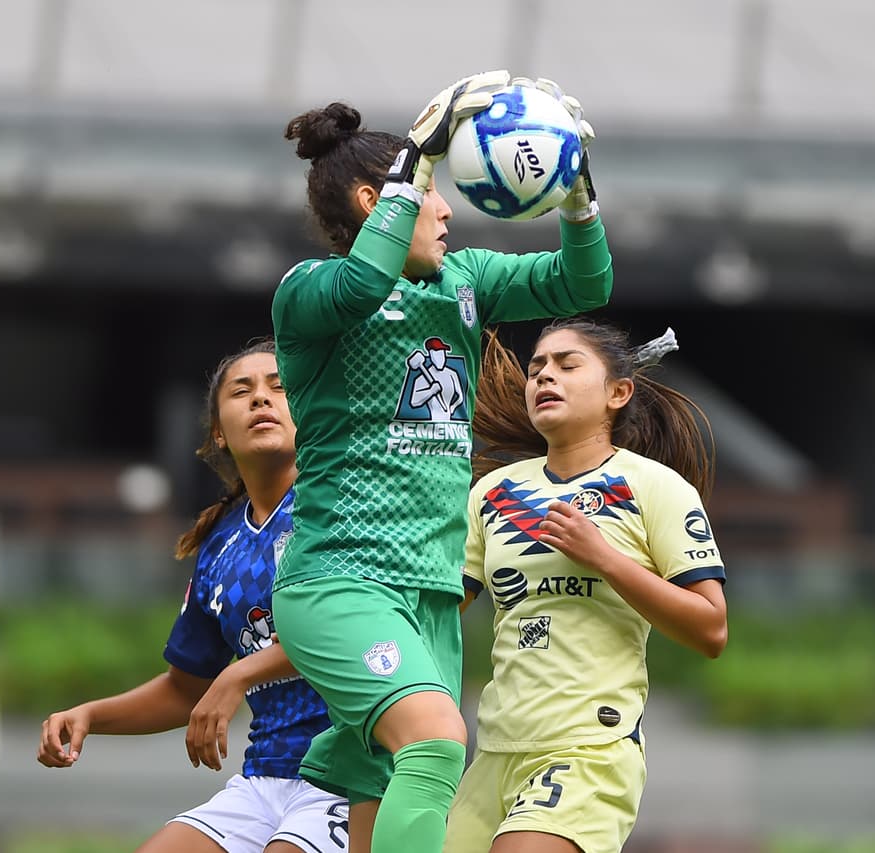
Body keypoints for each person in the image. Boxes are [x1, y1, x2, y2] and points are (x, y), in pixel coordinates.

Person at [269, 71, 613, 853]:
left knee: (384, 784)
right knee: (434, 741)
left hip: (428, 594)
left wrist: (576, 194)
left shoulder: (464, 279)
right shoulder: (310, 290)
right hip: (341, 580)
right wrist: (416, 158)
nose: (450, 208)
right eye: (433, 191)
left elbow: (586, 282)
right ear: (376, 201)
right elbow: (363, 284)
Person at [36, 339, 350, 853]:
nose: (261, 399)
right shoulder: (222, 542)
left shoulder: (338, 508)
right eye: (242, 391)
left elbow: (346, 633)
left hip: (345, 775)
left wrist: (238, 673)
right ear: (218, 434)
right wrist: (91, 715)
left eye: (280, 387)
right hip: (263, 780)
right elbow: (187, 690)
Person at [445, 319, 729, 853]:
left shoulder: (654, 487)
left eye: (566, 365)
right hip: (495, 750)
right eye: (536, 369)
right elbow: (440, 615)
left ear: (618, 393)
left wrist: (604, 558)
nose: (544, 377)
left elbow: (711, 629)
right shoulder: (491, 492)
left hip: (588, 749)